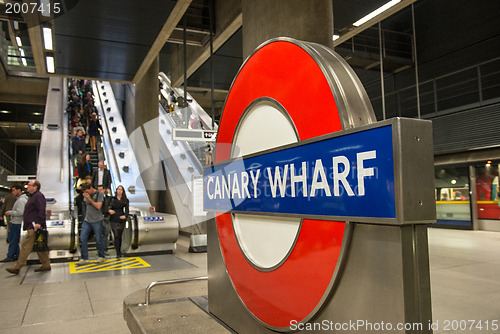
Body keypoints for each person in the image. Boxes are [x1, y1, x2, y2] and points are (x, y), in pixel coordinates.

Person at [6, 180, 51, 274]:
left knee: (26, 246)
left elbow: (41, 210)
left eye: (29, 185)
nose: (27, 187)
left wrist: (38, 222)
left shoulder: (38, 196)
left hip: (34, 226)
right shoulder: (32, 196)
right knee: (39, 246)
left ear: (35, 187)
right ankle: (46, 264)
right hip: (32, 225)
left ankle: (17, 267)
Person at [77, 183, 105, 264]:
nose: (87, 193)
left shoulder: (99, 194)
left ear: (91, 188)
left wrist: (89, 199)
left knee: (99, 239)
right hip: (87, 220)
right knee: (82, 238)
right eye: (85, 192)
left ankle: (101, 256)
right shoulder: (85, 195)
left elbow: (98, 206)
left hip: (97, 220)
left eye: (87, 191)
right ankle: (84, 257)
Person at [1, 185, 27, 262]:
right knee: (13, 239)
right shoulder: (20, 199)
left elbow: (20, 212)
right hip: (16, 222)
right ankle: (16, 254)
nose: (12, 192)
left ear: (19, 190)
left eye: (13, 190)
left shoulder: (21, 200)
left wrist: (10, 212)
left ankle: (10, 255)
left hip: (16, 222)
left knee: (12, 240)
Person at [108, 185, 129, 258]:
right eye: (118, 189)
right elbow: (107, 207)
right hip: (113, 218)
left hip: (121, 218)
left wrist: (125, 216)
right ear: (116, 190)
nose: (119, 191)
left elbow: (127, 210)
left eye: (121, 190)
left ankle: (119, 250)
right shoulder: (112, 199)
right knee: (116, 235)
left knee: (119, 236)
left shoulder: (125, 200)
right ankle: (117, 252)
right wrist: (109, 210)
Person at [97, 185, 112, 255]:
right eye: (98, 190)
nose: (100, 191)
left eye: (101, 190)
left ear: (104, 190)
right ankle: (99, 250)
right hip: (98, 218)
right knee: (98, 235)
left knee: (106, 234)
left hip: (106, 218)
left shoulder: (109, 198)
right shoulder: (96, 199)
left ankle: (105, 249)